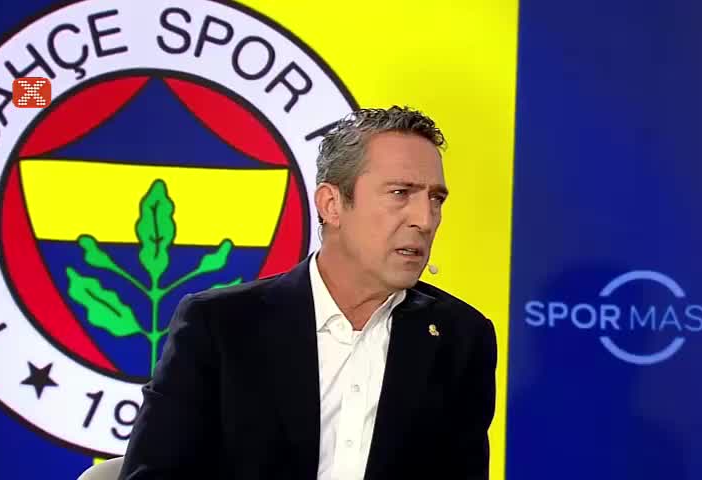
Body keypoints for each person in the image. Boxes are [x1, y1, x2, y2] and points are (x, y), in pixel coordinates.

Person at [119, 106, 497, 480]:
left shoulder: (461, 338)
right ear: (332, 205)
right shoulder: (220, 326)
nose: (425, 220)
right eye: (400, 193)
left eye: (436, 199)